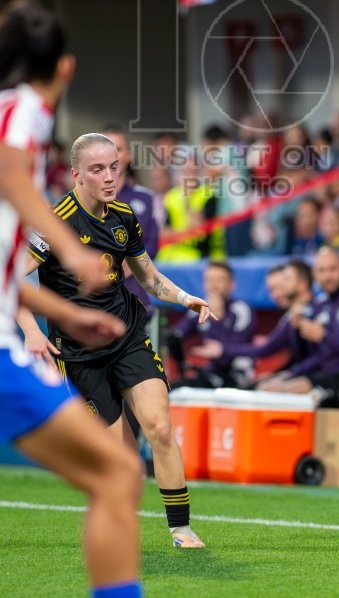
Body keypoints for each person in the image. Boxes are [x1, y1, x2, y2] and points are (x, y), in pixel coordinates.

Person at [0, 2, 143, 596]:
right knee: (116, 473)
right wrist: (71, 247)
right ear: (65, 68)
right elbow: (9, 173)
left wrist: (67, 316)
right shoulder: (25, 110)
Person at [18, 133, 217, 550]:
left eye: (114, 168)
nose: (109, 177)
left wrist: (184, 298)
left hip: (127, 336)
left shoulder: (124, 216)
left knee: (160, 428)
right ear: (76, 175)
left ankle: (180, 529)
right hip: (78, 355)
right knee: (123, 464)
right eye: (97, 170)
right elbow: (10, 280)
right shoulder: (54, 223)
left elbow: (148, 277)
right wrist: (32, 329)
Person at [259, 247, 339, 407]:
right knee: (267, 388)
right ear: (315, 275)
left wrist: (324, 336)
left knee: (289, 394)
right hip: (324, 374)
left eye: (333, 269)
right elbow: (320, 355)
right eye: (322, 271)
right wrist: (293, 372)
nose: (328, 276)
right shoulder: (320, 303)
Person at [191, 261, 314, 389]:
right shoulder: (292, 315)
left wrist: (290, 373)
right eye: (272, 289)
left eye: (285, 282)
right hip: (304, 372)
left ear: (302, 284)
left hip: (315, 377)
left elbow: (265, 349)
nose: (278, 293)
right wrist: (279, 373)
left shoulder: (311, 311)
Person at [101, 125, 162, 313]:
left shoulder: (147, 198)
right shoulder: (79, 200)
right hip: (93, 297)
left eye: (117, 149)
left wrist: (129, 265)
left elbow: (152, 244)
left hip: (134, 295)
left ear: (128, 155)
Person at [168, 261, 257, 388]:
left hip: (238, 373)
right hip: (212, 371)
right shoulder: (200, 309)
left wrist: (218, 318)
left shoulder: (242, 310)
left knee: (184, 386)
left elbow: (229, 352)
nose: (213, 286)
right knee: (175, 385)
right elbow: (175, 335)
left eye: (219, 280)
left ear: (232, 284)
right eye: (209, 280)